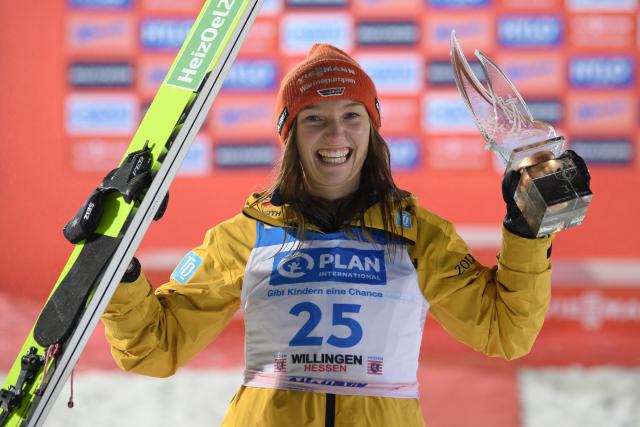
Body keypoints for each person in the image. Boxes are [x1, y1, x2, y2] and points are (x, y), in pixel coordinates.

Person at [101, 44, 589, 426]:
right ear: (290, 135)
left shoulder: (418, 234)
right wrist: (117, 273)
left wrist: (526, 230)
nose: (336, 136)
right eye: (314, 119)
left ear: (372, 130)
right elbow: (153, 346)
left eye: (351, 116)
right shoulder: (247, 235)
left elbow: (505, 331)